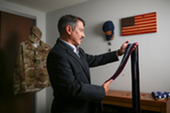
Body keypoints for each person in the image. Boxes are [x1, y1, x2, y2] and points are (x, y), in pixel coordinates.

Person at [47, 15, 137, 113]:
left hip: (85, 107)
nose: (83, 35)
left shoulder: (79, 51)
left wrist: (119, 52)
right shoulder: (57, 54)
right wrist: (101, 91)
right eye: (81, 30)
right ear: (69, 30)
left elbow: (95, 59)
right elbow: (71, 88)